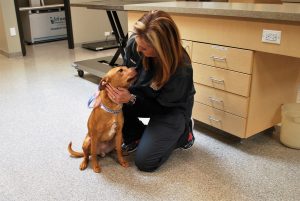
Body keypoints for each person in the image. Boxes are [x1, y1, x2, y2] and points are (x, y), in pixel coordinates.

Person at [105, 10, 195, 172]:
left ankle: (183, 134)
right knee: (114, 102)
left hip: (169, 109)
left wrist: (131, 99)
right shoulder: (135, 44)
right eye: (137, 42)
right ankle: (137, 134)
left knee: (145, 162)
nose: (138, 49)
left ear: (162, 48)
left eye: (145, 48)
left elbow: (161, 107)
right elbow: (124, 77)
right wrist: (107, 94)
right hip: (142, 95)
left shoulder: (181, 67)